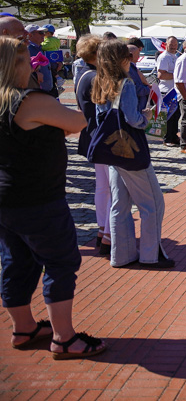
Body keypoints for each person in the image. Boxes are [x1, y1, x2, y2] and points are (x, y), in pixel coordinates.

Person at [0, 35, 107, 360]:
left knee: (16, 262)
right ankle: (64, 338)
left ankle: (24, 328)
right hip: (37, 197)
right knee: (61, 262)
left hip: (7, 198)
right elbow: (77, 121)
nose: (32, 63)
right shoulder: (27, 100)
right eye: (26, 59)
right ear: (14, 64)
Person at [92, 40, 173, 269]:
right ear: (121, 59)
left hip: (112, 151)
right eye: (127, 56)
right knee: (153, 203)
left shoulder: (100, 81)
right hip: (130, 150)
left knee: (120, 204)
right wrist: (146, 116)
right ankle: (150, 255)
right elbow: (133, 119)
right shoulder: (124, 83)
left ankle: (121, 255)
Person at [73, 35, 111, 255]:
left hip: (92, 136)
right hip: (102, 137)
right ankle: (106, 232)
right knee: (109, 188)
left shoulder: (83, 75)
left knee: (102, 186)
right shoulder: (95, 77)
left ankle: (102, 229)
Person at [155, 36, 181, 147]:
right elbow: (161, 75)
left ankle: (173, 136)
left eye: (175, 44)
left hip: (175, 91)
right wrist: (178, 76)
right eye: (171, 44)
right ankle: (167, 138)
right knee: (168, 117)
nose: (174, 46)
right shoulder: (164, 57)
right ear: (166, 44)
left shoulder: (175, 56)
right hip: (166, 91)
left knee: (176, 116)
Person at [25, 24, 54, 94]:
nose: (43, 35)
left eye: (43, 33)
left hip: (45, 90)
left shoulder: (39, 48)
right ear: (30, 35)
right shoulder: (26, 49)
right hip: (35, 91)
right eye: (40, 33)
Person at [126, 38, 150, 111]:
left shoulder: (132, 67)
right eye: (138, 54)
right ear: (130, 55)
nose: (139, 57)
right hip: (134, 108)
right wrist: (149, 90)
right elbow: (135, 88)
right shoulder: (128, 69)